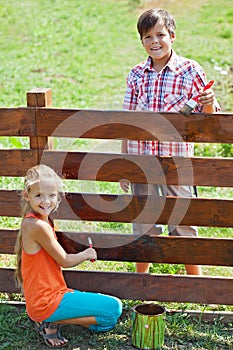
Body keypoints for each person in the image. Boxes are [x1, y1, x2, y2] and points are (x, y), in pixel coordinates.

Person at [120, 8, 220, 275]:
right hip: (142, 160)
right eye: (147, 36)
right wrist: (124, 165)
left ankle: (195, 281)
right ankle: (142, 279)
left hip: (177, 162)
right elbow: (127, 122)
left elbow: (210, 117)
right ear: (141, 41)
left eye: (160, 34)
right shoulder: (136, 75)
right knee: (144, 219)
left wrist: (208, 104)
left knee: (183, 219)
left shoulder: (190, 71)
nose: (154, 41)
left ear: (172, 36)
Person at [15, 164, 122, 348]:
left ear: (58, 196)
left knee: (109, 318)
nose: (46, 201)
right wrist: (87, 254)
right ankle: (51, 321)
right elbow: (64, 260)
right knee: (113, 310)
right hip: (46, 302)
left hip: (50, 296)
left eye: (51, 195)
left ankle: (52, 318)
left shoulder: (39, 220)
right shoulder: (37, 226)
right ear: (27, 196)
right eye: (39, 195)